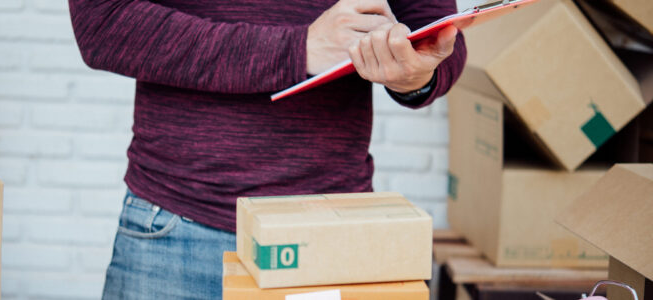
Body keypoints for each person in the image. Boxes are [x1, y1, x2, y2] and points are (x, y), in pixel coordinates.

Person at [68, 0, 466, 298]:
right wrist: (298, 49)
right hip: (178, 228)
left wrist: (415, 74)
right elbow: (102, 22)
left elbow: (439, 31)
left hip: (333, 235)